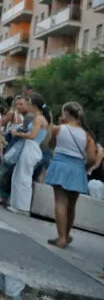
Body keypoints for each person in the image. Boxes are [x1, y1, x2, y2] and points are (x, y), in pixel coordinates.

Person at [43, 102, 97, 248]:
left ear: (66, 113)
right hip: (78, 168)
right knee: (71, 205)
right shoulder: (87, 135)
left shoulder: (59, 129)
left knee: (60, 202)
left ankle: (60, 238)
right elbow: (92, 158)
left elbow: (51, 145)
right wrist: (84, 168)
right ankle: (66, 236)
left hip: (60, 165)